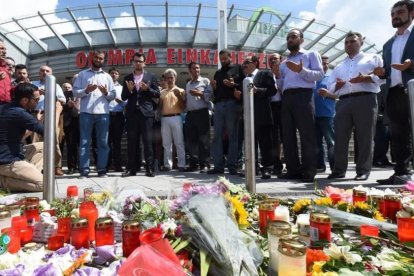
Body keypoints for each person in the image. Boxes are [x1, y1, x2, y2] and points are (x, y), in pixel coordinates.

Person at [324, 32, 384, 181]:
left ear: (361, 42)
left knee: (365, 136)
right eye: (346, 42)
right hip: (343, 101)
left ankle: (363, 170)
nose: (349, 44)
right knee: (340, 137)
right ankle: (338, 170)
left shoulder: (373, 58)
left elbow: (383, 77)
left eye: (352, 41)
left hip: (366, 99)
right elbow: (329, 87)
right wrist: (335, 86)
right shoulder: (339, 65)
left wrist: (367, 78)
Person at [375, 0, 414, 184]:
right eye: (392, 14)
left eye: (399, 12)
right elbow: (388, 70)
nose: (395, 16)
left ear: (411, 13)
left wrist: (411, 64)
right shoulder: (387, 44)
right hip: (394, 92)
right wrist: (382, 72)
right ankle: (401, 172)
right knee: (398, 134)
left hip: (412, 88)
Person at [278, 28, 324, 182]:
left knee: (307, 135)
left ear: (302, 40)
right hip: (287, 98)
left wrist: (301, 70)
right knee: (288, 136)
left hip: (304, 96)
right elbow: (282, 84)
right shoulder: (283, 63)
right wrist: (277, 76)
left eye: (294, 37)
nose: (290, 39)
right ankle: (292, 170)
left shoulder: (311, 54)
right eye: (288, 37)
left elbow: (319, 75)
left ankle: (308, 171)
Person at [73, 50, 116, 178]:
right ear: (92, 58)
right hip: (86, 113)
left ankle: (102, 169)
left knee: (103, 143)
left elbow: (113, 95)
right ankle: (84, 170)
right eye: (96, 58)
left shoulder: (107, 77)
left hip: (103, 114)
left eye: (101, 58)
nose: (98, 60)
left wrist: (106, 93)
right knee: (84, 142)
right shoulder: (82, 74)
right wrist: (86, 90)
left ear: (104, 60)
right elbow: (75, 92)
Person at [0, 83, 44, 192]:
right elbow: (45, 131)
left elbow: (19, 137)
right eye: (36, 100)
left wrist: (36, 121)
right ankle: (3, 182)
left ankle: (29, 173)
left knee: (43, 147)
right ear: (25, 100)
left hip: (12, 153)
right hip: (8, 161)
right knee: (45, 185)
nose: (38, 103)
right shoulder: (20, 113)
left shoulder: (6, 108)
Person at [121, 52, 159, 177]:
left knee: (148, 142)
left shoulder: (151, 76)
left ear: (144, 63)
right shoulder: (127, 78)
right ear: (133, 63)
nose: (138, 63)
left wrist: (147, 89)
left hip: (146, 113)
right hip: (132, 113)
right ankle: (132, 169)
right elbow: (123, 96)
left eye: (140, 61)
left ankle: (150, 168)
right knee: (132, 142)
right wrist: (130, 90)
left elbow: (157, 94)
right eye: (136, 61)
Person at [208, 49, 245, 175]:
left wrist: (234, 85)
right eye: (221, 59)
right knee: (217, 136)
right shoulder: (217, 73)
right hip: (218, 105)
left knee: (233, 136)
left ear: (230, 57)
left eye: (225, 58)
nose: (223, 61)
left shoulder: (238, 68)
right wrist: (214, 88)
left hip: (232, 104)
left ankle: (232, 166)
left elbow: (244, 85)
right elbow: (216, 94)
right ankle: (218, 166)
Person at [241, 55, 277, 179]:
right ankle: (252, 167)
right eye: (243, 63)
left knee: (265, 143)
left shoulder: (264, 74)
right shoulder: (244, 78)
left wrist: (257, 90)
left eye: (247, 62)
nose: (244, 65)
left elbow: (272, 90)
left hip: (262, 115)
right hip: (248, 117)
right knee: (250, 143)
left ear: (255, 63)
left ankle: (267, 168)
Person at [31, 65, 66, 176]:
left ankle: (57, 166)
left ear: (51, 73)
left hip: (52, 115)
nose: (45, 72)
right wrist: (37, 93)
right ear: (39, 72)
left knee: (53, 139)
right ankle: (36, 167)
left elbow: (63, 100)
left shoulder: (55, 85)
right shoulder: (33, 84)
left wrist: (49, 93)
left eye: (47, 71)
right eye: (42, 70)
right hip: (37, 114)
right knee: (36, 141)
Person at [184, 62, 212, 173]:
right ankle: (193, 164)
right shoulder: (188, 84)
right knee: (191, 141)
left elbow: (211, 96)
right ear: (190, 70)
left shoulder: (205, 81)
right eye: (194, 68)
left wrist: (200, 94)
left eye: (198, 68)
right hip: (190, 114)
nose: (196, 70)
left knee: (204, 140)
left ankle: (205, 164)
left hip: (202, 113)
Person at [158, 68, 186, 172]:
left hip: (177, 117)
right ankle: (167, 165)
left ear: (175, 78)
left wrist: (179, 96)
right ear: (165, 79)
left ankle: (181, 165)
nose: (170, 79)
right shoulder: (162, 92)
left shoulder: (181, 90)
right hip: (164, 119)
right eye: (167, 78)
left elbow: (184, 107)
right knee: (166, 143)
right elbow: (159, 107)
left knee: (179, 142)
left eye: (172, 77)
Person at [313, 56, 336, 173]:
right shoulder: (311, 77)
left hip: (327, 114)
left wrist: (327, 94)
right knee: (316, 143)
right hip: (312, 115)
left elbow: (338, 95)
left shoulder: (332, 78)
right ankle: (320, 166)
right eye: (322, 63)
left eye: (327, 63)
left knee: (331, 142)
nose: (325, 65)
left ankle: (335, 167)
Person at [107, 67, 126, 172]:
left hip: (119, 116)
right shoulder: (105, 86)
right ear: (109, 75)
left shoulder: (122, 88)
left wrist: (121, 102)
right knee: (107, 142)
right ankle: (107, 165)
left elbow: (127, 103)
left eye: (115, 73)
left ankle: (118, 166)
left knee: (117, 142)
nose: (114, 75)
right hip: (107, 115)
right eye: (112, 73)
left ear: (118, 75)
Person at [268, 53, 284, 175]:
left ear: (281, 60)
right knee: (274, 138)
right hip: (271, 107)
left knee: (286, 136)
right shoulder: (265, 75)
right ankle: (276, 164)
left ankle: (290, 163)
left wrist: (278, 76)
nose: (273, 60)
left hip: (284, 106)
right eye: (271, 59)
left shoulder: (286, 73)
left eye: (275, 59)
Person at [60, 82, 80, 175]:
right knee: (67, 146)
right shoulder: (64, 95)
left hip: (80, 122)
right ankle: (68, 167)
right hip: (67, 123)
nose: (67, 88)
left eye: (69, 87)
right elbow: (59, 108)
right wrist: (68, 106)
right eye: (65, 87)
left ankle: (78, 166)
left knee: (77, 145)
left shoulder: (83, 93)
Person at [0, 40, 12, 105]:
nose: (4, 52)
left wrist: (20, 86)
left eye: (5, 49)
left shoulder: (6, 69)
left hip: (6, 105)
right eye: (1, 49)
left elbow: (9, 89)